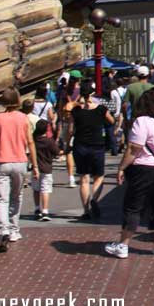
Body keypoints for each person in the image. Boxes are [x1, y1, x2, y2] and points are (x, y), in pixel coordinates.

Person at [104, 90, 154, 259]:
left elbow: (133, 149)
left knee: (133, 206)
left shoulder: (142, 121)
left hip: (144, 168)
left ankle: (123, 245)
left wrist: (122, 167)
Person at [0, 89, 39, 253]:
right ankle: (14, 230)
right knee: (16, 196)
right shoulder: (23, 119)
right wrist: (35, 165)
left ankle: (4, 230)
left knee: (1, 199)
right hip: (20, 162)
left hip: (1, 162)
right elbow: (30, 142)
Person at [69, 81, 114, 221]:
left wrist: (66, 143)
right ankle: (94, 198)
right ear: (93, 94)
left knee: (84, 178)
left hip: (80, 145)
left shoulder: (76, 110)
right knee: (99, 176)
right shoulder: (101, 109)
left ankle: (86, 210)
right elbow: (111, 121)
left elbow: (70, 130)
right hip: (97, 145)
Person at [31, 120, 59, 221]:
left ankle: (37, 209)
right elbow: (57, 152)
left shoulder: (34, 140)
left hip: (36, 168)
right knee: (45, 190)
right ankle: (45, 211)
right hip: (47, 168)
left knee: (36, 189)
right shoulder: (49, 141)